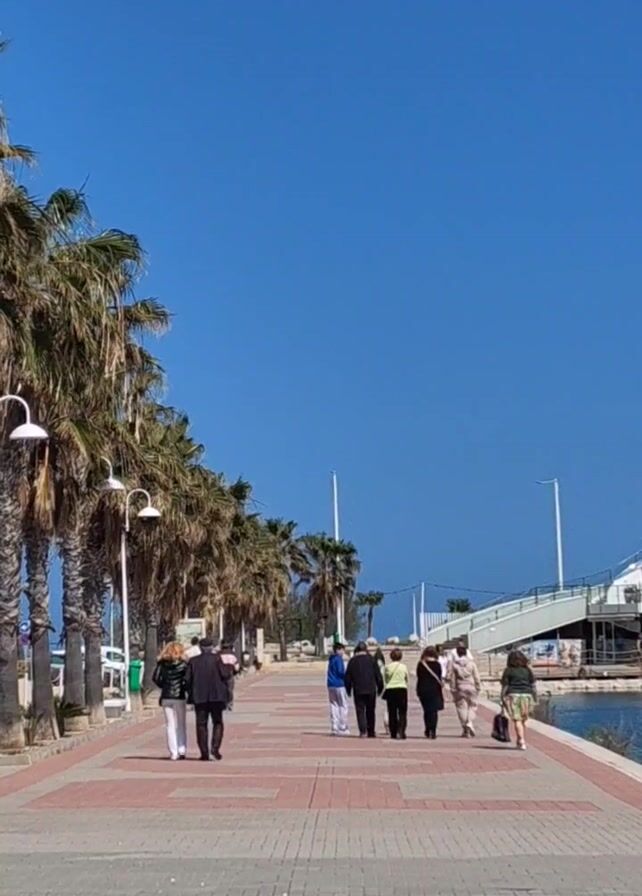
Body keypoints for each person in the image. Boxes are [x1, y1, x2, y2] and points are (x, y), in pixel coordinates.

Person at [186, 638, 232, 761]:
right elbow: (226, 675)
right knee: (218, 722)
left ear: (200, 648)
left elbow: (187, 679)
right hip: (217, 696)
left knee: (201, 724)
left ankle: (204, 752)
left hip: (199, 696)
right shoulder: (217, 659)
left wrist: (191, 691)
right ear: (211, 647)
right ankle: (215, 748)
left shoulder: (193, 661)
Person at [152, 642, 188, 761]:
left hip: (166, 696)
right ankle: (182, 749)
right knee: (181, 724)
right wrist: (183, 687)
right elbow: (188, 679)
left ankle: (173, 752)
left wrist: (164, 686)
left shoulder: (162, 664)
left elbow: (155, 678)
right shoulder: (184, 664)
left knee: (170, 725)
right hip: (179, 696)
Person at [344, 641, 383, 738]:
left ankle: (363, 731)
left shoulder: (352, 661)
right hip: (371, 689)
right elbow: (378, 675)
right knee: (371, 710)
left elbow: (347, 677)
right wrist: (380, 688)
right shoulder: (372, 660)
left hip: (358, 689)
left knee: (360, 710)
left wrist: (348, 689)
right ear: (366, 649)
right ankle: (371, 731)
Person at [501, 649, 537, 750]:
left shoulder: (508, 670)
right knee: (523, 720)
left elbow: (505, 685)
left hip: (513, 695)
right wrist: (535, 697)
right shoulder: (528, 670)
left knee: (517, 719)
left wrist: (502, 697)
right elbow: (533, 685)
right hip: (527, 695)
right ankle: (520, 739)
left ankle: (521, 740)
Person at [449, 644, 481, 737]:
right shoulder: (471, 664)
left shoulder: (455, 665)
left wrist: (452, 689)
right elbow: (476, 676)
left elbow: (452, 678)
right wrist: (478, 686)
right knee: (473, 706)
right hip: (471, 687)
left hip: (460, 688)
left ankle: (465, 728)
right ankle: (469, 722)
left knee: (461, 708)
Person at [416, 646, 444, 739]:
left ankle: (428, 729)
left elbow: (419, 676)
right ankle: (433, 730)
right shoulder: (437, 664)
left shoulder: (421, 664)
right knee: (434, 711)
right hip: (435, 690)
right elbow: (439, 676)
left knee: (427, 710)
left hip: (423, 689)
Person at [383, 648, 409, 739]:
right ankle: (401, 731)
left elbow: (386, 679)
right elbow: (406, 678)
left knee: (392, 712)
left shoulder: (387, 667)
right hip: (402, 689)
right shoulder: (403, 667)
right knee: (402, 712)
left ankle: (393, 732)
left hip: (391, 689)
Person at [326, 641, 349, 736]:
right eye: (342, 650)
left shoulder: (331, 659)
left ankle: (334, 726)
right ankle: (342, 726)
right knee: (343, 705)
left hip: (331, 684)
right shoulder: (338, 659)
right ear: (338, 650)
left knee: (333, 705)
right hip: (339, 684)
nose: (343, 652)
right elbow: (340, 671)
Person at [219, 641, 240, 710]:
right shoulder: (233, 655)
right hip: (230, 673)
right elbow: (237, 667)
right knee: (230, 689)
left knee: (221, 689)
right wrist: (235, 673)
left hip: (220, 674)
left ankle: (223, 703)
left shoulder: (218, 654)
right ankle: (230, 703)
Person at [373, 647, 389, 734]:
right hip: (384, 690)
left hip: (374, 690)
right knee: (386, 710)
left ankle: (372, 728)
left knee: (373, 710)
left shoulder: (372, 667)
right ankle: (387, 727)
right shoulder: (385, 668)